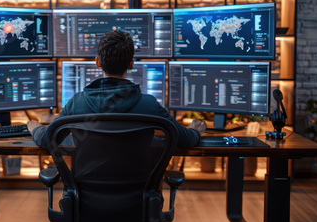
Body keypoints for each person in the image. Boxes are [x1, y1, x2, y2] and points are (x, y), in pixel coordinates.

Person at [28, 30, 206, 148]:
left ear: (98, 62)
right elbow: (186, 140)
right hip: (137, 199)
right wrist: (195, 129)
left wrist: (34, 127)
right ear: (131, 64)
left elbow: (47, 140)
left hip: (88, 199)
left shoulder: (77, 103)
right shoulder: (149, 105)